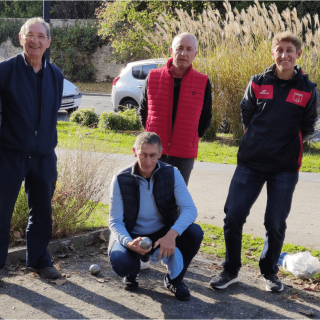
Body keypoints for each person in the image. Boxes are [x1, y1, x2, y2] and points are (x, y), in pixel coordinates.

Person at [209, 32, 318, 293]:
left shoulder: (308, 89)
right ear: (273, 53)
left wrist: (287, 146)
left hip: (285, 168)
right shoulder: (257, 82)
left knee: (275, 222)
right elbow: (246, 112)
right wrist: (255, 140)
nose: (284, 55)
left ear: (298, 54)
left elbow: (308, 126)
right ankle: (230, 270)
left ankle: (269, 272)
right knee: (233, 216)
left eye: (289, 50)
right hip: (250, 164)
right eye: (279, 50)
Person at [0, 18, 64, 279]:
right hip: (10, 154)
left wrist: (45, 143)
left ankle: (38, 259)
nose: (35, 41)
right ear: (20, 38)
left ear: (48, 42)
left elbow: (52, 113)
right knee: (1, 210)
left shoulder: (55, 75)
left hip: (44, 156)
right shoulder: (5, 71)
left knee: (42, 211)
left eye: (41, 36)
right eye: (30, 35)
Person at [108, 132, 203, 301]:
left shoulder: (172, 173)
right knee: (121, 263)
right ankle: (132, 271)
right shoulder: (120, 179)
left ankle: (175, 279)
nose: (148, 161)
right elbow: (115, 221)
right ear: (134, 152)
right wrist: (129, 243)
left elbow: (190, 209)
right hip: (132, 235)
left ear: (160, 153)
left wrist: (171, 235)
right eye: (143, 155)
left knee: (195, 232)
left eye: (153, 155)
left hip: (162, 233)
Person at [138, 32, 212, 185]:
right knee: (149, 195)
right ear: (171, 51)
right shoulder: (153, 77)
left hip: (184, 155)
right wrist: (150, 138)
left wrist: (192, 140)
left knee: (176, 200)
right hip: (153, 151)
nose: (184, 53)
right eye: (179, 48)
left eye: (189, 49)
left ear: (195, 54)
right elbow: (143, 110)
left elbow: (206, 117)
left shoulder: (202, 81)